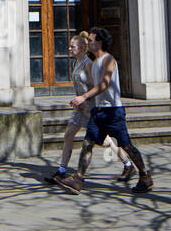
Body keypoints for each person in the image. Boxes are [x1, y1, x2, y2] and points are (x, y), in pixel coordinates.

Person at [57, 28, 153, 193]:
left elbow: (103, 84)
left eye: (91, 40)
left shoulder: (108, 60)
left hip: (113, 111)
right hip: (98, 111)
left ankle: (144, 176)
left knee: (126, 145)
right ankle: (78, 180)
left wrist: (84, 97)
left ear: (99, 42)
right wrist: (83, 100)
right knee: (87, 143)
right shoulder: (94, 63)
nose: (88, 43)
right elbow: (94, 86)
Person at [48, 32, 133, 184]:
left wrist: (84, 100)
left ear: (81, 48)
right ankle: (62, 171)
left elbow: (96, 86)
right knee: (68, 135)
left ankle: (127, 164)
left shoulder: (88, 64)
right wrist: (77, 101)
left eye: (72, 46)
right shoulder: (75, 63)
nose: (69, 48)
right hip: (80, 107)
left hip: (91, 107)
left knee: (105, 141)